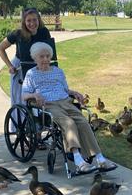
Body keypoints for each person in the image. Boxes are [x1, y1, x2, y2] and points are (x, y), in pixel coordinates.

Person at [22, 42, 117, 174]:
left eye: (48, 56)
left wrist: (74, 93)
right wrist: (34, 95)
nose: (45, 59)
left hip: (66, 101)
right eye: (41, 56)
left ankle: (100, 159)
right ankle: (78, 161)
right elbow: (24, 95)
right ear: (35, 58)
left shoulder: (58, 71)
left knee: (84, 123)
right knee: (69, 124)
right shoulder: (31, 74)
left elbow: (65, 89)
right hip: (48, 105)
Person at [0, 8, 55, 136]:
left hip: (38, 68)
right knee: (21, 101)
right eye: (28, 20)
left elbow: (48, 51)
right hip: (21, 68)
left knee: (38, 101)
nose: (32, 23)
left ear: (38, 20)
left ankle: (38, 135)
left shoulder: (44, 32)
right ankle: (23, 131)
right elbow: (0, 48)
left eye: (34, 20)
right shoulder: (17, 34)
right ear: (24, 21)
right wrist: (10, 66)